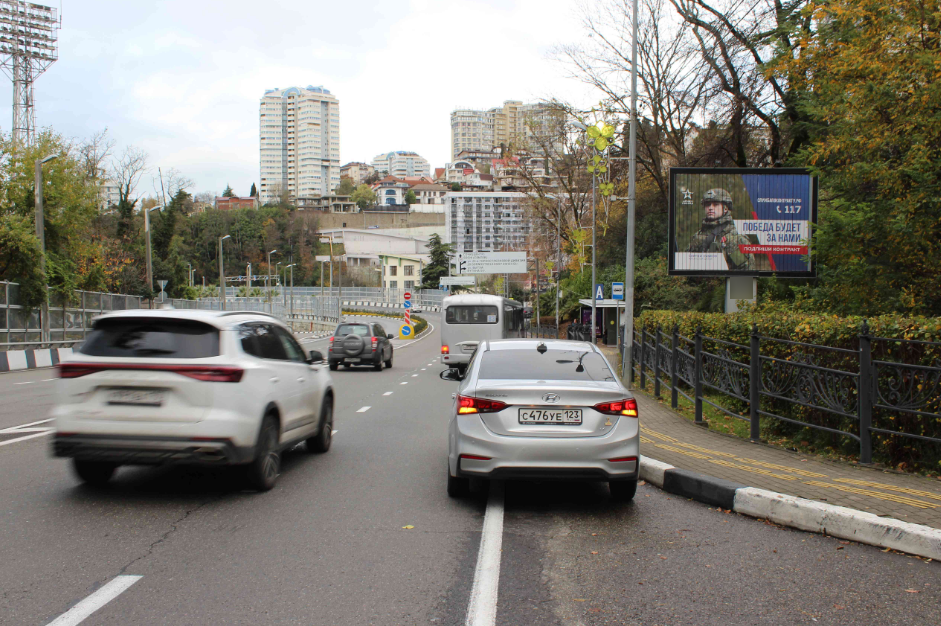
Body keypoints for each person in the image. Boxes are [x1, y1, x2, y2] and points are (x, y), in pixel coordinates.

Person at [686, 188, 752, 270]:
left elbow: (744, 272)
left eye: (716, 204)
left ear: (725, 208)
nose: (710, 208)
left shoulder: (734, 239)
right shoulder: (697, 236)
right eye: (707, 204)